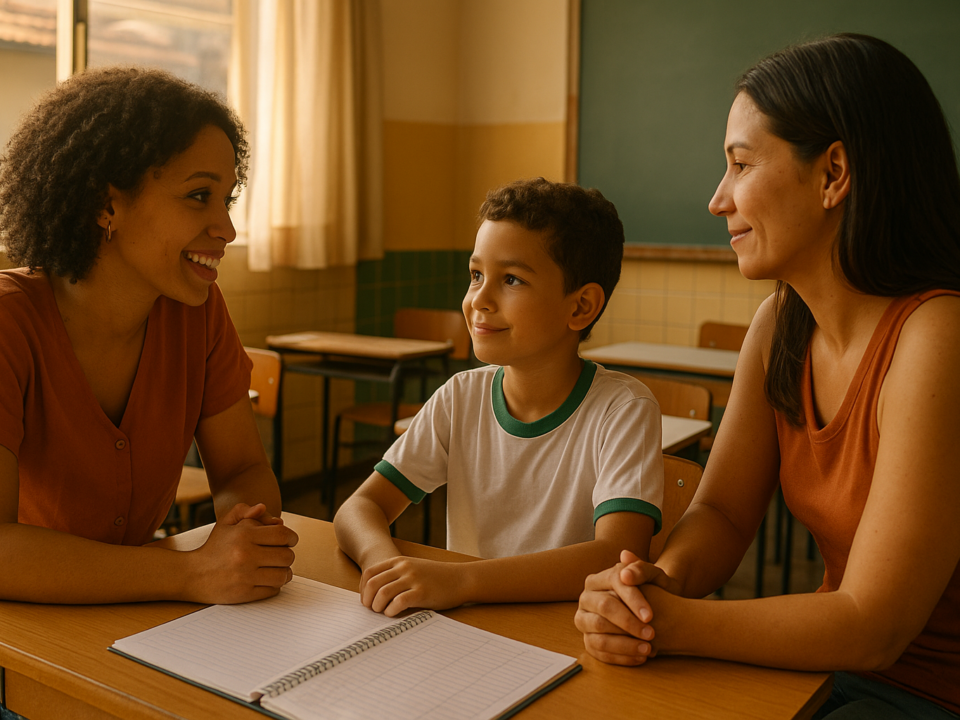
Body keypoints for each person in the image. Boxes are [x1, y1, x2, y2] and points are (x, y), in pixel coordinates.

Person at [574, 33, 960, 719]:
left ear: (833, 173)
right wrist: (655, 582)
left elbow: (876, 626)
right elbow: (721, 513)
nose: (718, 199)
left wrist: (673, 622)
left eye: (741, 164)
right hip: (827, 670)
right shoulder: (780, 325)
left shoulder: (938, 335)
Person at [0, 67, 298, 610]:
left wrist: (244, 531)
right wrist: (188, 572)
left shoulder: (198, 313)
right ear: (105, 204)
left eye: (227, 200)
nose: (226, 229)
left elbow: (242, 470)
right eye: (199, 195)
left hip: (132, 611)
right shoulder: (8, 324)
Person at [334, 177, 664, 617]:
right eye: (475, 276)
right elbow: (359, 507)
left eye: (511, 279)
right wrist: (383, 565)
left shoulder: (622, 410)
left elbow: (616, 556)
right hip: (468, 625)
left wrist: (461, 580)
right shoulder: (461, 397)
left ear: (581, 307)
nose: (479, 300)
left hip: (567, 634)